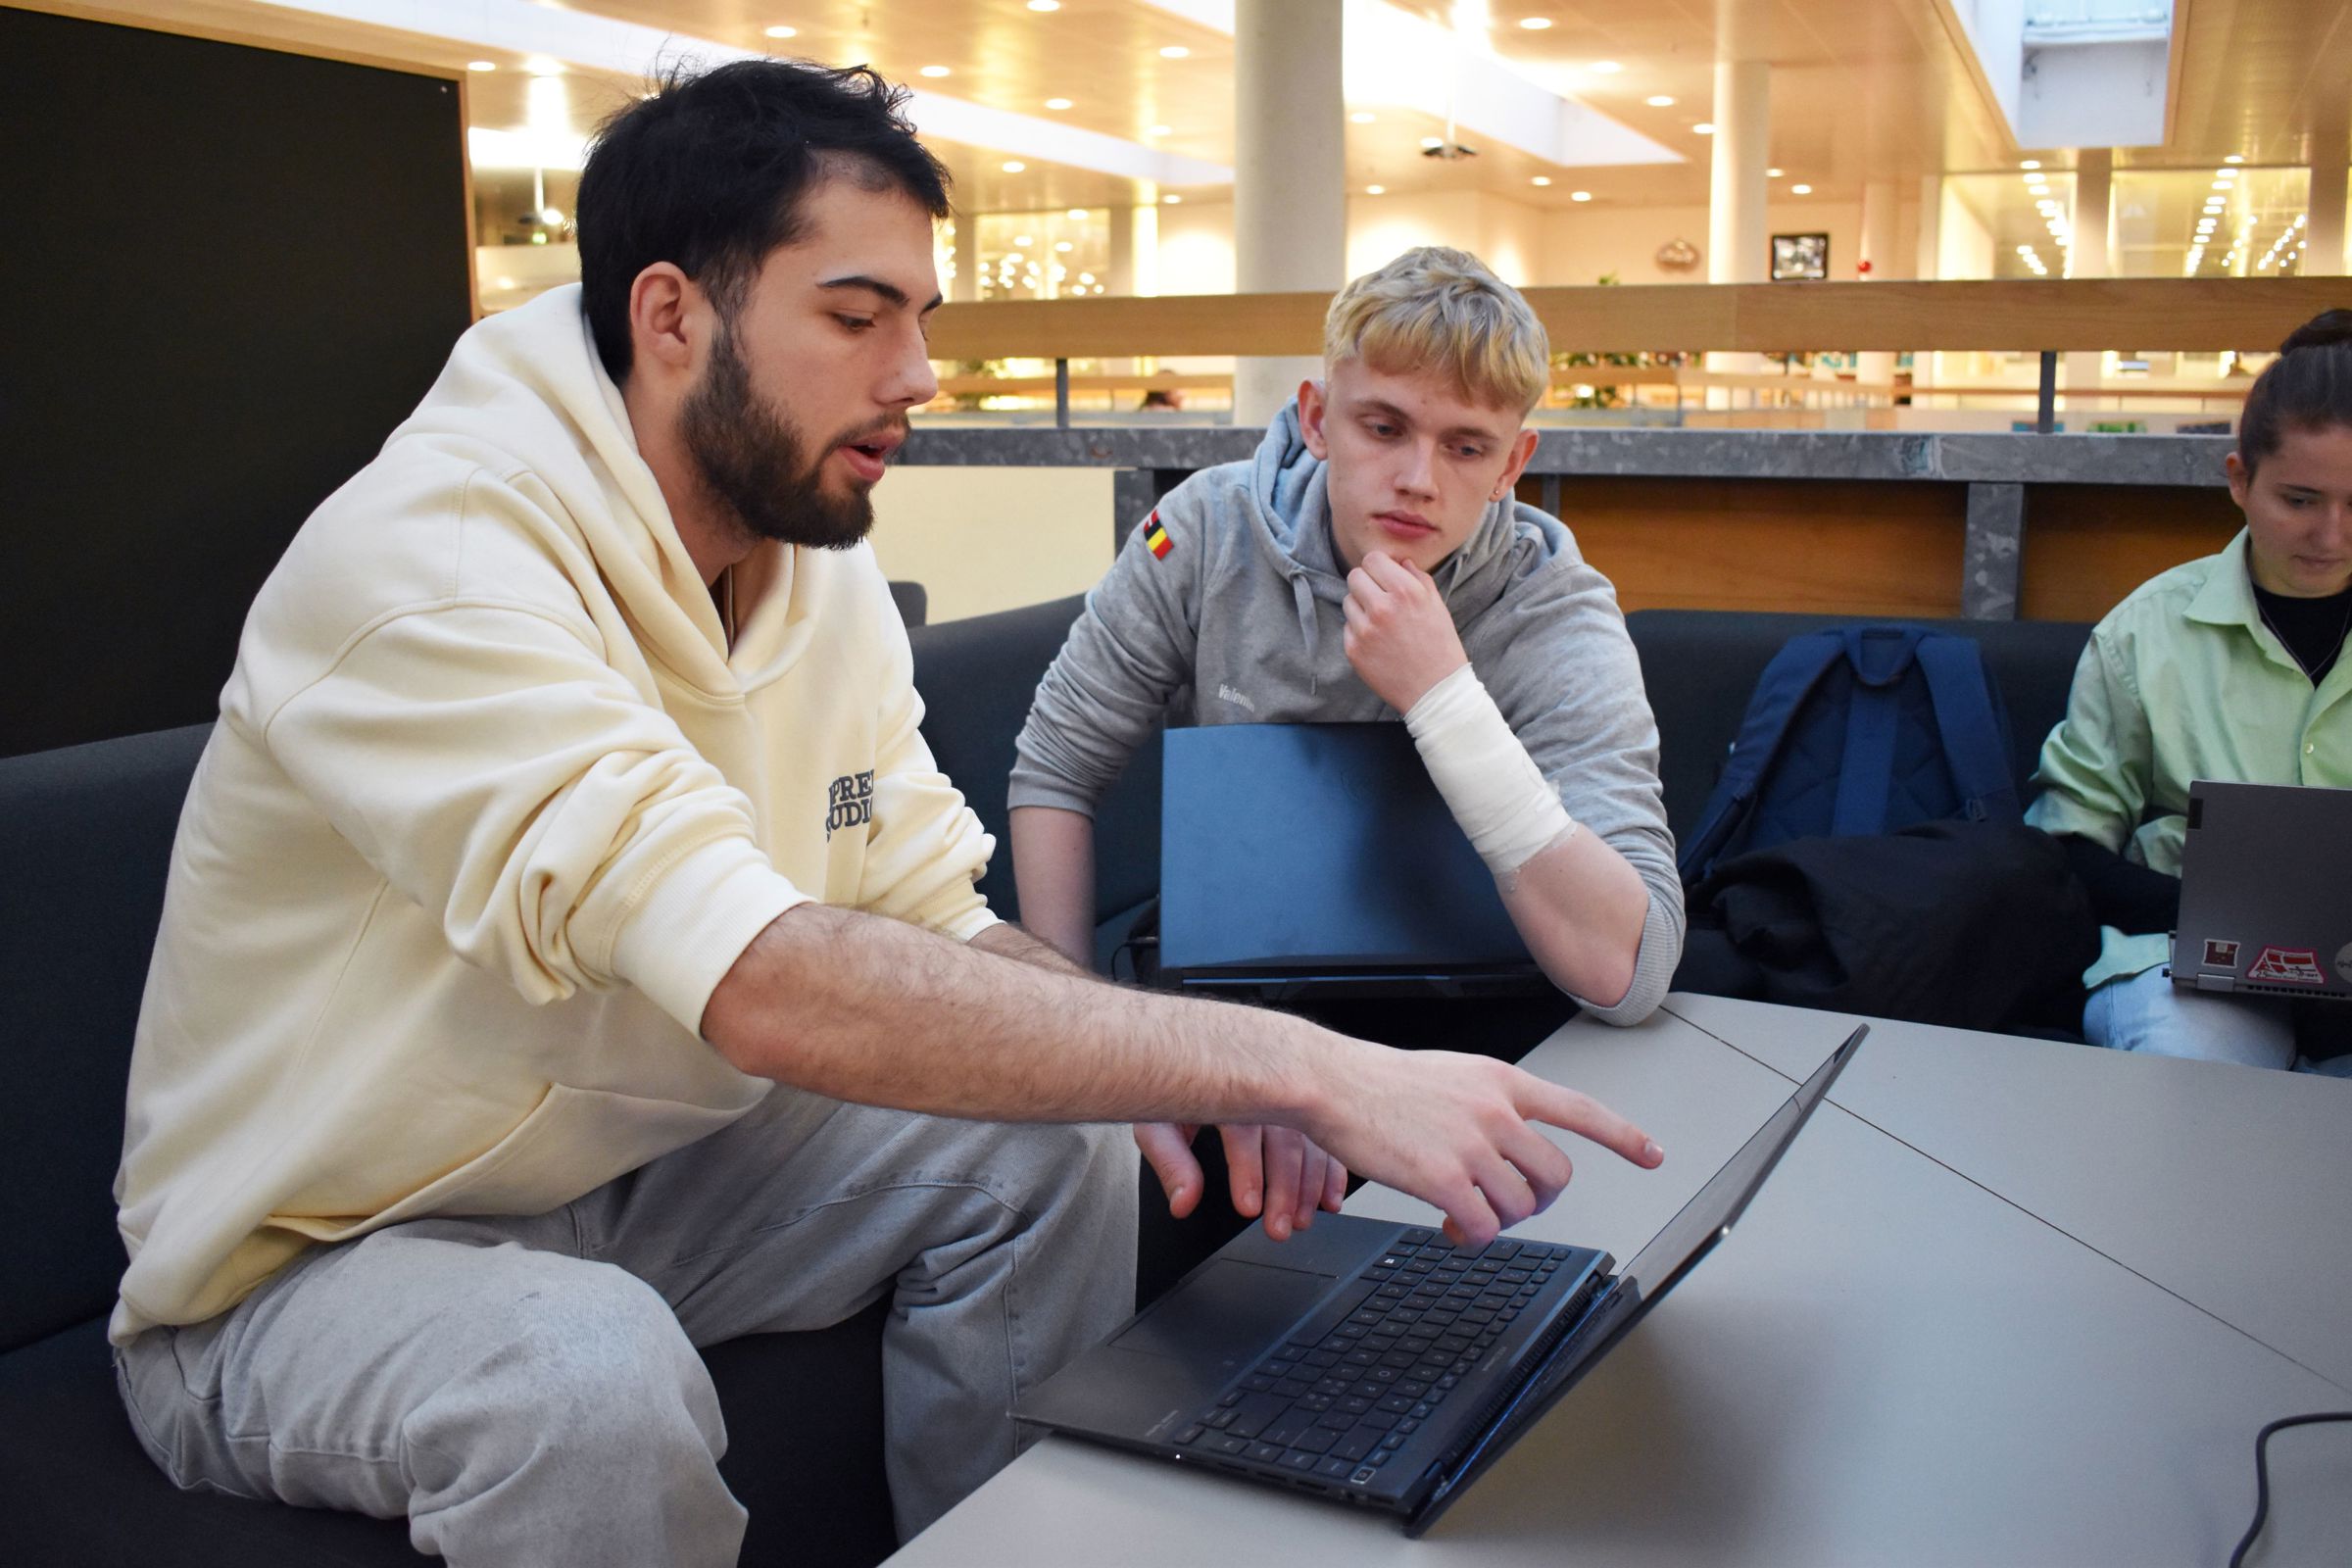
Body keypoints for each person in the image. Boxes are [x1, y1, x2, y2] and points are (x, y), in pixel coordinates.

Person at [107, 61, 1666, 1567]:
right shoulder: (434, 567)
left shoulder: (815, 556)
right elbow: (769, 976)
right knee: (576, 1375)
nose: (917, 374)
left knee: (1055, 1146)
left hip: (633, 1181)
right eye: (857, 317)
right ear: (671, 317)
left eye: (920, 319)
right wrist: (1297, 1064)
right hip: (317, 1261)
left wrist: (1157, 1066)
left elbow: (931, 906)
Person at [1008, 246, 1682, 1036]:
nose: (1419, 479)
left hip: (1472, 1018)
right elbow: (1056, 768)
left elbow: (1633, 972)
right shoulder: (1201, 531)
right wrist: (1082, 1037)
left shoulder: (1553, 607)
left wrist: (1443, 699)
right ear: (1319, 419)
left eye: (1466, 447)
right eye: (1385, 427)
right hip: (1238, 998)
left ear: (1512, 464)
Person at [2027, 309, 2352, 1073]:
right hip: (2186, 968)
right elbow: (2067, 845)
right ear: (2239, 480)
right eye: (2300, 501)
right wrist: (2221, 922)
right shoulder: (2145, 633)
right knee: (2194, 1076)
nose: (2331, 536)